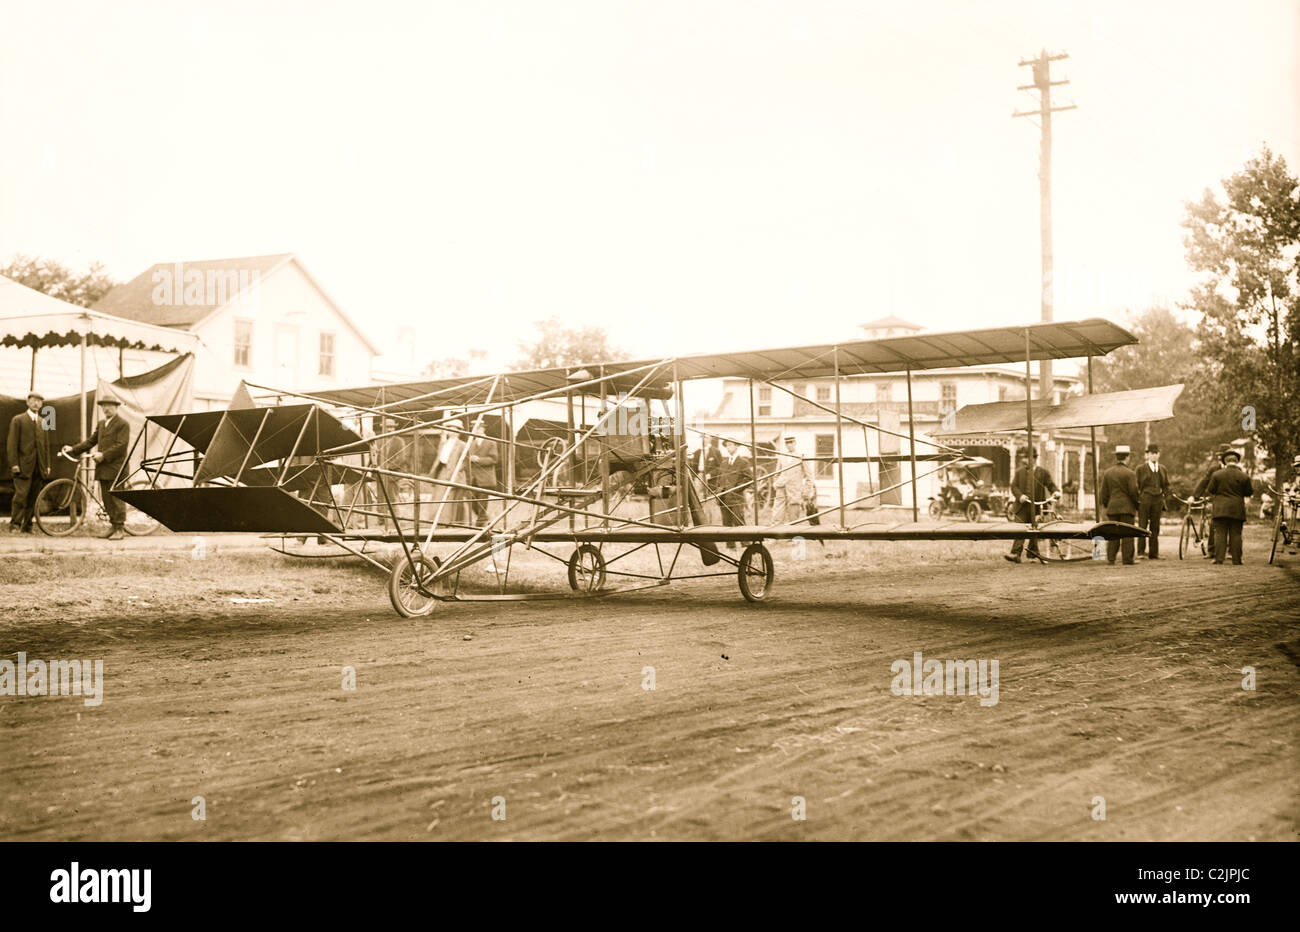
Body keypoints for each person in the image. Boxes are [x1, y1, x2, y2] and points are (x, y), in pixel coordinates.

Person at [63, 395, 131, 539]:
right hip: (103, 468)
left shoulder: (123, 424)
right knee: (106, 498)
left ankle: (120, 528)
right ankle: (113, 526)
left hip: (117, 468)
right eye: (104, 406)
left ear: (116, 407)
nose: (106, 409)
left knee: (116, 498)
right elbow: (91, 441)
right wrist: (73, 449)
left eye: (110, 406)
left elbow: (121, 446)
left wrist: (103, 455)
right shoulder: (101, 424)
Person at [7, 391, 52, 534]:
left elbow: (46, 447)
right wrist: (14, 464)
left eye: (40, 401)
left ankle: (27, 526)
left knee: (34, 497)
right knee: (20, 496)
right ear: (28, 402)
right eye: (34, 400)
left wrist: (48, 465)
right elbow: (12, 444)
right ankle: (15, 525)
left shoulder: (43, 423)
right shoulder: (18, 420)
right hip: (22, 466)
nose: (37, 403)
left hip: (39, 467)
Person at [1005, 449, 1058, 563]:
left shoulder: (1043, 472)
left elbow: (1051, 485)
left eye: (1027, 457)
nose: (1024, 460)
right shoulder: (1019, 472)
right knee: (1020, 529)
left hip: (1037, 507)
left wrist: (1056, 492)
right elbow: (1014, 487)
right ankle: (1016, 554)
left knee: (1035, 530)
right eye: (1024, 458)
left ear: (1034, 459)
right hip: (1022, 507)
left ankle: (1032, 554)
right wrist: (1020, 496)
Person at [1204, 447, 1252, 564]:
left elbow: (1211, 490)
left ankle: (1219, 559)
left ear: (1225, 461)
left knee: (1220, 534)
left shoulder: (1217, 475)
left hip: (1220, 508)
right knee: (1236, 534)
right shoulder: (1244, 476)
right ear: (1237, 462)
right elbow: (1249, 492)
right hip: (1237, 509)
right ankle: (1237, 560)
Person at [1098, 444, 1140, 565]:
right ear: (1127, 457)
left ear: (1116, 457)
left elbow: (1104, 493)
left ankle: (1111, 558)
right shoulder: (1130, 473)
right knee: (1127, 534)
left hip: (1112, 508)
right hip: (1127, 509)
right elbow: (1133, 492)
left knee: (1113, 534)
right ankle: (1127, 559)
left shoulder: (1108, 473)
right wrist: (1137, 505)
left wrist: (1107, 505)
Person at [1135, 442, 1170, 559]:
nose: (1154, 456)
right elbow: (1137, 486)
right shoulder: (1140, 469)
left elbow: (1166, 485)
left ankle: (1154, 553)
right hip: (1145, 500)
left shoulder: (1162, 469)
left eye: (1156, 453)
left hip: (1158, 500)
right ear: (1147, 455)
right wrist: (1138, 499)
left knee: (1155, 527)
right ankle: (1140, 552)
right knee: (1142, 526)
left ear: (1159, 454)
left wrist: (1167, 496)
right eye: (1152, 453)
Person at [717, 439, 752, 550]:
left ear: (736, 446)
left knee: (738, 521)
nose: (728, 448)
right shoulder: (724, 463)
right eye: (726, 446)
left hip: (736, 497)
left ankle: (745, 544)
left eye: (730, 445)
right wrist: (719, 491)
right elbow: (719, 479)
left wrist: (736, 488)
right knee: (726, 522)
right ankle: (730, 546)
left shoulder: (743, 462)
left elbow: (749, 478)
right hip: (724, 497)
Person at [465, 422, 499, 528]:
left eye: (478, 428)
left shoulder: (491, 442)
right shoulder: (471, 443)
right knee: (471, 499)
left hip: (485, 477)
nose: (476, 430)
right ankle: (485, 519)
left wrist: (479, 459)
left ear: (483, 429)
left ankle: (480, 523)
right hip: (473, 477)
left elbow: (494, 459)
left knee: (482, 501)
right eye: (474, 429)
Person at [771, 436, 809, 524]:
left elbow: (809, 477)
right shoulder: (782, 457)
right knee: (777, 516)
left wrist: (805, 491)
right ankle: (775, 536)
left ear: (795, 443)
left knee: (793, 518)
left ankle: (792, 537)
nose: (789, 445)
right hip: (781, 489)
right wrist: (776, 484)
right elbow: (776, 474)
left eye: (791, 443)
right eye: (787, 443)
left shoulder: (801, 457)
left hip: (794, 491)